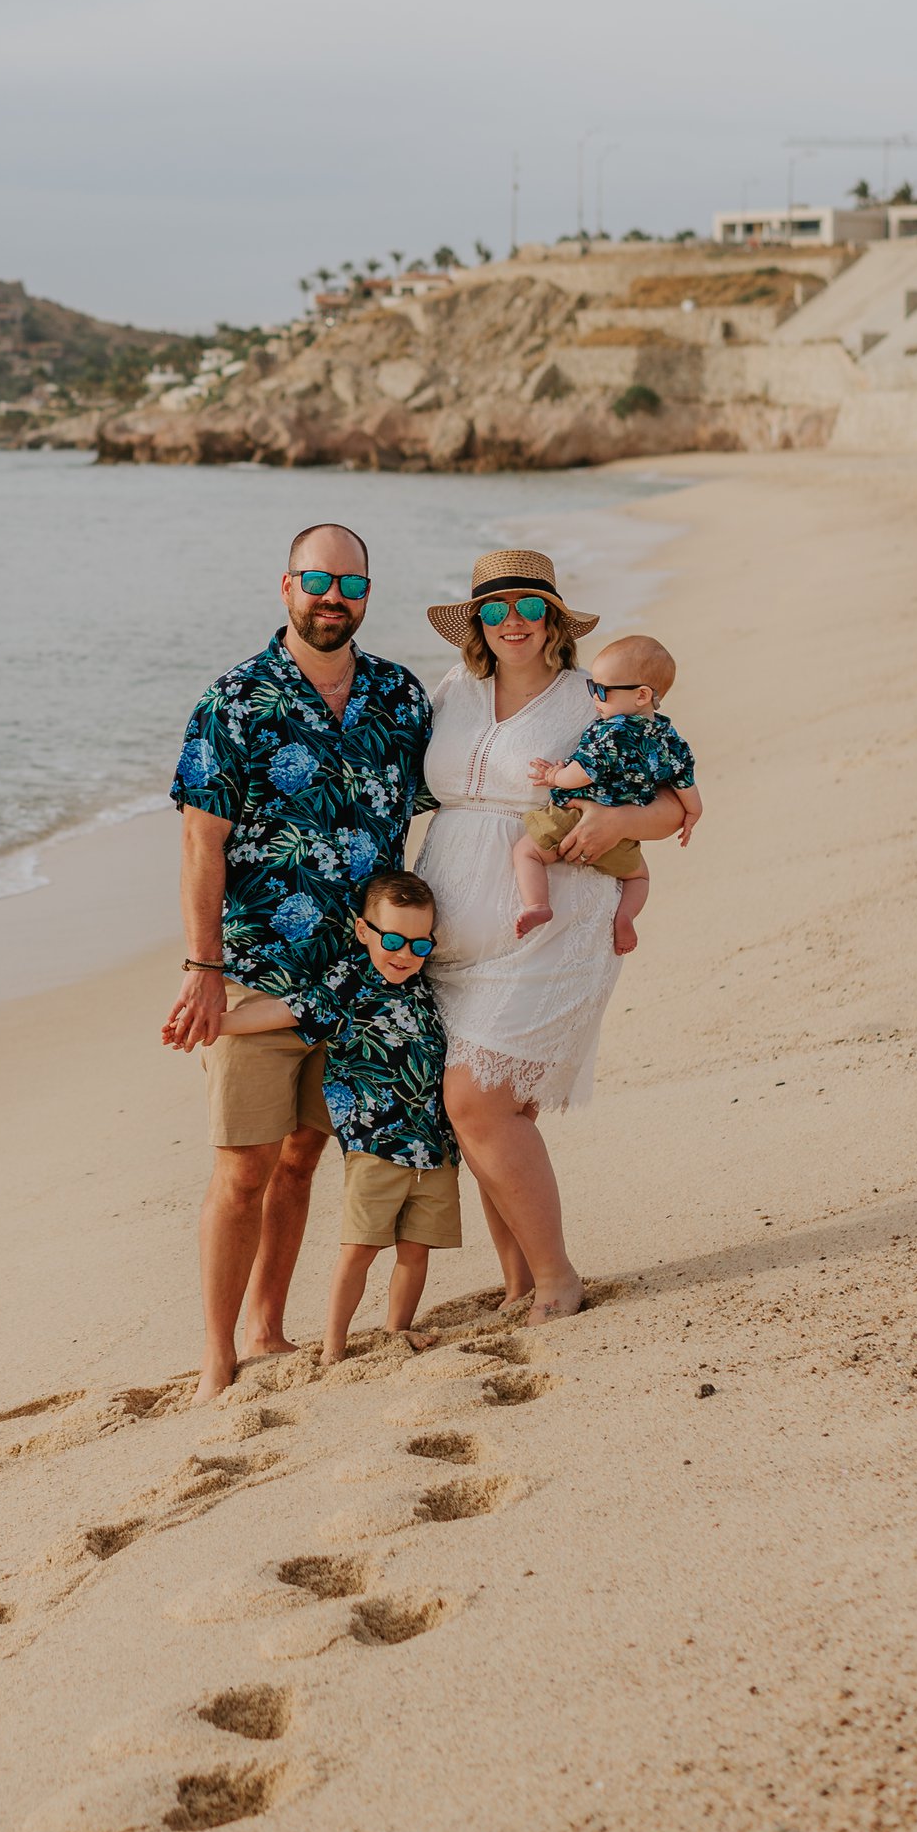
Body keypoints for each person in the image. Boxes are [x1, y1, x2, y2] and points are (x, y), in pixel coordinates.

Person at [163, 524, 433, 1401]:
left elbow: (468, 793)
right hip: (257, 973)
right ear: (286, 588)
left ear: (365, 594)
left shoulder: (399, 696)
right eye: (316, 579)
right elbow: (203, 842)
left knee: (303, 1156)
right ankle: (216, 1354)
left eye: (348, 583)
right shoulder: (234, 700)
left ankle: (267, 1328)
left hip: (359, 977)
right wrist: (202, 967)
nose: (332, 596)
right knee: (242, 1166)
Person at [417, 550, 684, 1322]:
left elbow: (670, 803)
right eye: (493, 611)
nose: (511, 624)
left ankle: (558, 1277)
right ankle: (520, 1282)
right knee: (498, 1116)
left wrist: (618, 819)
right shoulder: (453, 692)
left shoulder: (590, 698)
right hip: (454, 939)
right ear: (475, 624)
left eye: (527, 607)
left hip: (556, 925)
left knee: (476, 1103)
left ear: (554, 617)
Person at [215, 870, 459, 1364]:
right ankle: (333, 1348)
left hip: (433, 1148)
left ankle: (397, 1329)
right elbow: (292, 1010)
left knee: (416, 1250)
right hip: (374, 1145)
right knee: (361, 1249)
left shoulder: (424, 984)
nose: (405, 954)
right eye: (392, 939)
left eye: (419, 944)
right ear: (364, 931)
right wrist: (218, 1023)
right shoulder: (349, 982)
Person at [516, 632, 701, 953]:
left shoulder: (612, 730)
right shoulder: (672, 739)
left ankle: (537, 904)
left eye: (601, 690)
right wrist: (693, 814)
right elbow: (686, 785)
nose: (595, 699)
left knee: (526, 853)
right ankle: (625, 916)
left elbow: (583, 772)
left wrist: (555, 775)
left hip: (571, 817)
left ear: (642, 695)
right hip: (620, 841)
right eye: (592, 688)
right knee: (639, 878)